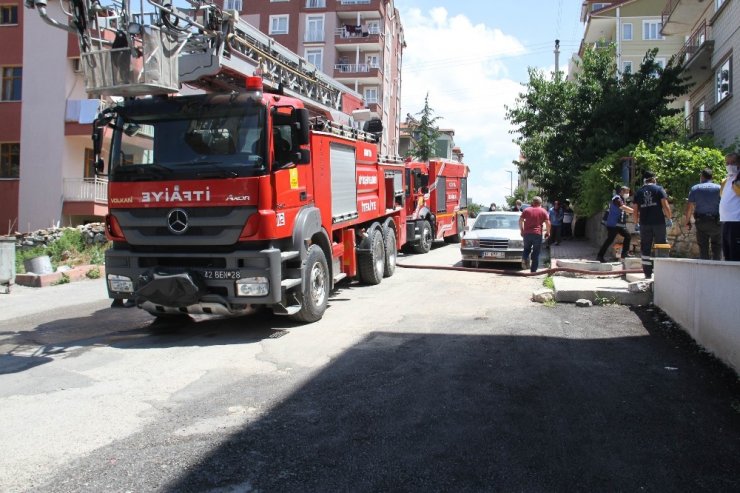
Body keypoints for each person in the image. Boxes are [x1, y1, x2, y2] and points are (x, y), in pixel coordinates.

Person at [633, 170, 672, 279]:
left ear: (644, 180)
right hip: (658, 223)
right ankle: (662, 272)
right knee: (661, 245)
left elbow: (635, 210)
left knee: (645, 247)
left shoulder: (639, 192)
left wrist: (636, 223)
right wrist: (669, 218)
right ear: (653, 179)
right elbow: (665, 205)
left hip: (644, 224)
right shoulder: (659, 189)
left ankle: (647, 273)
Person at [684, 168, 721, 260]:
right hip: (717, 222)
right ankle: (717, 270)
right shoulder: (719, 188)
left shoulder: (695, 188)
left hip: (701, 222)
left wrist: (687, 221)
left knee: (703, 247)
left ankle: (705, 271)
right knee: (717, 247)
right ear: (712, 177)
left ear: (702, 177)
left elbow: (689, 208)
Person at [597, 185, 633, 262]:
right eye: (627, 192)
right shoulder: (617, 198)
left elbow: (622, 210)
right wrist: (633, 211)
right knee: (610, 240)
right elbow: (622, 207)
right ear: (622, 191)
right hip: (613, 224)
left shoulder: (622, 199)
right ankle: (600, 256)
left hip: (618, 225)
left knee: (627, 236)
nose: (628, 194)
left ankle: (624, 254)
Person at [519, 196, 551, 272]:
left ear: (533, 202)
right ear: (540, 203)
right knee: (536, 252)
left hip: (527, 234)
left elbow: (520, 220)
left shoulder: (526, 210)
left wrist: (522, 230)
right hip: (537, 234)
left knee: (526, 249)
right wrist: (548, 232)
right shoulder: (543, 211)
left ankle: (524, 258)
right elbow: (548, 223)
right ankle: (533, 271)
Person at [719, 152, 740, 261]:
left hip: (736, 222)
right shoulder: (725, 181)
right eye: (727, 163)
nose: (729, 165)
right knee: (727, 255)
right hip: (725, 221)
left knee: (736, 255)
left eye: (733, 162)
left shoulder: (738, 179)